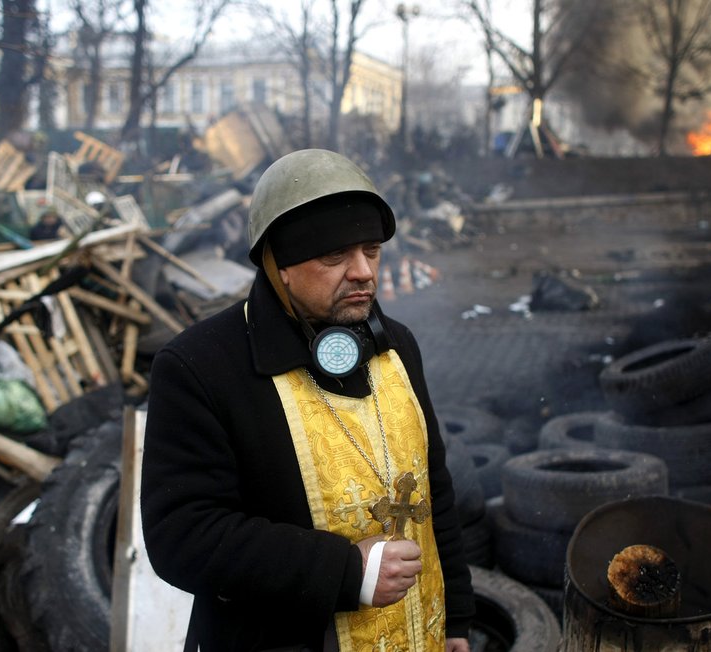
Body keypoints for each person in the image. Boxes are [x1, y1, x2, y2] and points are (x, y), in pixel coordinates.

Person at [141, 149, 474, 651]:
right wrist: (345, 571)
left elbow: (433, 488)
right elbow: (182, 536)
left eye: (371, 249)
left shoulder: (396, 345)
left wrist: (456, 620)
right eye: (335, 256)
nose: (363, 271)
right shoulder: (200, 367)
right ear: (281, 267)